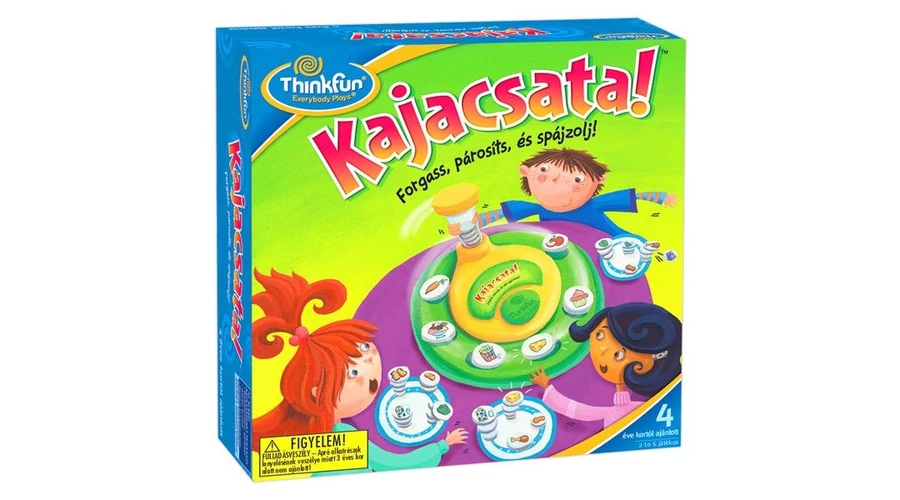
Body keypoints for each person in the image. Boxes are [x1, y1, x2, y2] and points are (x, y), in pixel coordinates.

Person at [251, 269, 467, 474]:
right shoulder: (342, 438)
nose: (370, 359)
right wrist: (442, 446)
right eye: (353, 374)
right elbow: (393, 464)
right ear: (318, 393)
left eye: (364, 347)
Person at [448, 148, 677, 238]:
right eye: (544, 173)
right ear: (525, 172)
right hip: (562, 250)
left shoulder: (595, 204)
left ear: (598, 181)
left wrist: (662, 197)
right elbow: (496, 215)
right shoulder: (532, 208)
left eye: (577, 180)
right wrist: (466, 225)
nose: (557, 182)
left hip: (610, 243)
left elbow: (635, 196)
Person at [530, 302, 681, 426]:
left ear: (645, 368)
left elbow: (576, 410)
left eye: (618, 355)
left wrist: (547, 388)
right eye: (600, 334)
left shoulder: (641, 410)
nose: (602, 350)